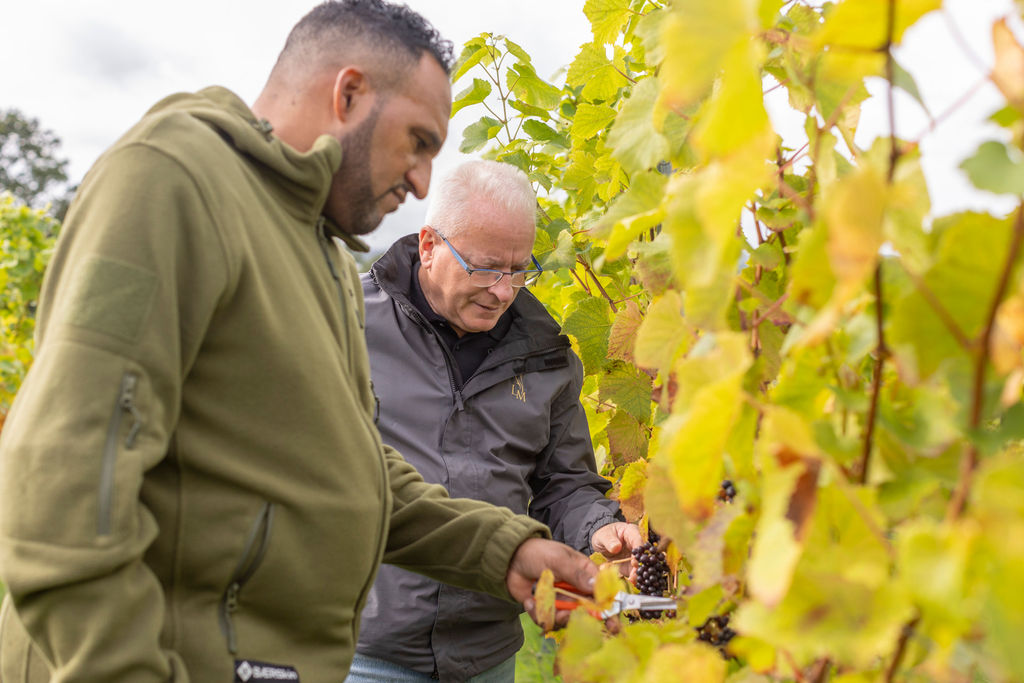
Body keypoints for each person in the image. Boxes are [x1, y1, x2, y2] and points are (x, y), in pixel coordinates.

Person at [0, 3, 597, 682]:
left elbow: (356, 469)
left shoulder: (325, 258)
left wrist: (502, 550)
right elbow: (64, 476)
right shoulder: (170, 182)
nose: (423, 180)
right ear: (348, 95)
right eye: (418, 141)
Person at [350, 160, 642, 683]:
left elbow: (565, 486)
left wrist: (600, 530)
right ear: (430, 245)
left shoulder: (546, 354)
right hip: (362, 652)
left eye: (519, 268)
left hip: (486, 658)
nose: (504, 291)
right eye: (485, 268)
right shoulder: (347, 323)